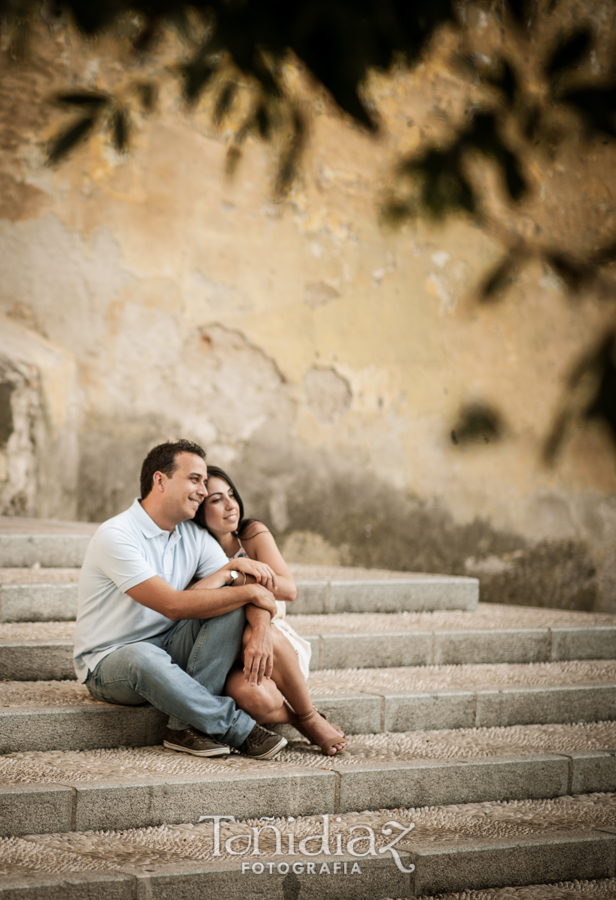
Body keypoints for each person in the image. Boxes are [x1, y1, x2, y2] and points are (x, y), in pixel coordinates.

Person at [73, 439, 288, 760]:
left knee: (228, 605)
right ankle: (235, 727)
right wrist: (250, 590)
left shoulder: (194, 536)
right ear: (160, 480)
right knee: (144, 656)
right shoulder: (116, 535)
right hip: (111, 662)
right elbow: (171, 604)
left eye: (204, 482)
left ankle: (183, 727)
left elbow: (250, 586)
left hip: (172, 645)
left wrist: (259, 626)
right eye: (195, 480)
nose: (203, 490)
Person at [194, 465, 346, 756]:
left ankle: (310, 717)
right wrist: (234, 574)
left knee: (263, 634)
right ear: (199, 509)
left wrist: (240, 578)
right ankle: (298, 717)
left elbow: (288, 589)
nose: (230, 505)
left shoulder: (252, 534)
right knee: (256, 698)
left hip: (273, 641)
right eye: (216, 500)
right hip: (226, 649)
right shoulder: (196, 548)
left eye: (231, 495)